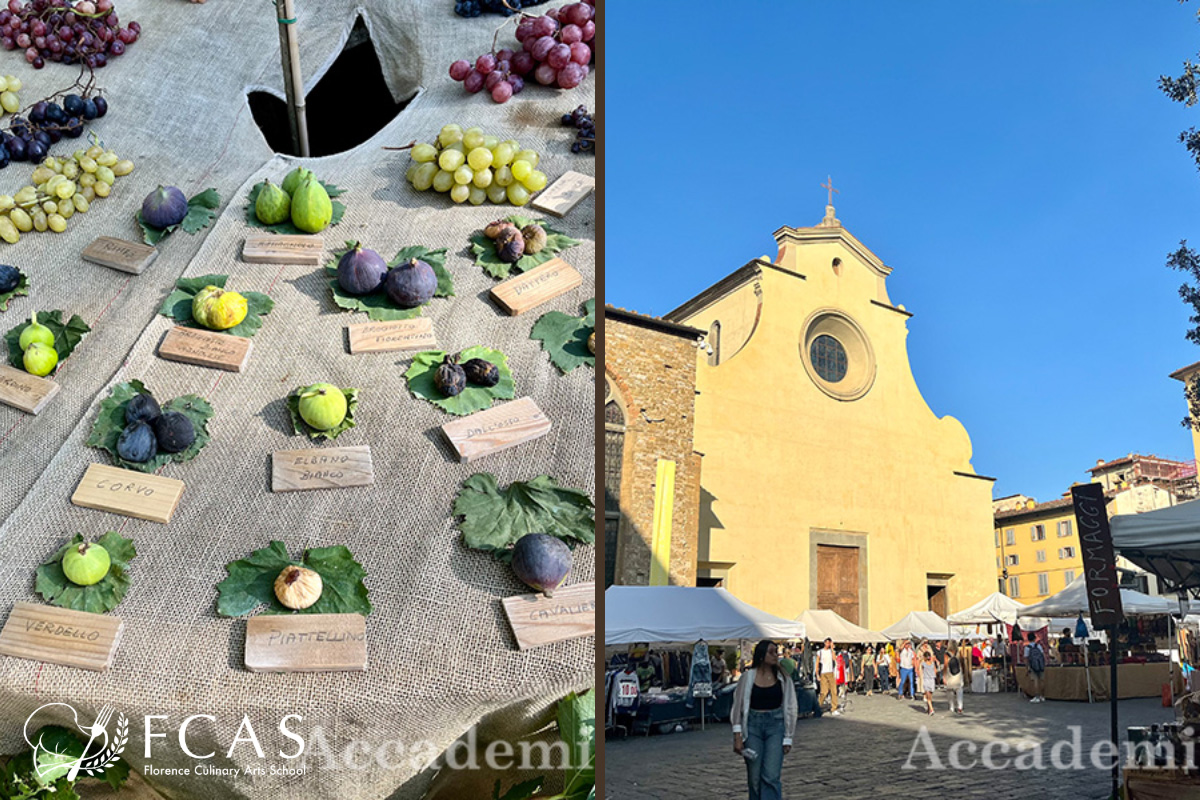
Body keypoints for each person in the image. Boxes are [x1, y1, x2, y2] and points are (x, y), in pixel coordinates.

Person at [731, 640, 797, 800]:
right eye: (771, 652)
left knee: (771, 775)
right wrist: (737, 735)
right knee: (754, 777)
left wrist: (788, 737)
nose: (776, 655)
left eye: (776, 652)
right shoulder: (747, 677)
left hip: (776, 726)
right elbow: (738, 706)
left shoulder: (783, 677)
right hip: (752, 727)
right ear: (761, 655)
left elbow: (790, 706)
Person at [817, 637, 841, 716]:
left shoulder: (831, 651)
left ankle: (834, 708)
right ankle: (817, 707)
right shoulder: (820, 652)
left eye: (829, 643)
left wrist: (832, 649)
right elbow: (817, 663)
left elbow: (834, 659)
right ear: (824, 643)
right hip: (823, 673)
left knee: (834, 691)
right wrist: (817, 674)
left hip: (831, 672)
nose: (828, 644)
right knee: (824, 692)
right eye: (827, 642)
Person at [1024, 631, 1046, 702]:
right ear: (1034, 638)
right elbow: (1043, 655)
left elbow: (1026, 659)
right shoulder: (1038, 646)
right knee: (1042, 680)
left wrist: (1027, 667)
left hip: (1033, 666)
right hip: (1040, 665)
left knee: (1035, 681)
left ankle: (1037, 696)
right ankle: (1042, 696)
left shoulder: (1027, 648)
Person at [943, 642, 964, 714]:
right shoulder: (958, 652)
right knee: (959, 689)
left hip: (950, 673)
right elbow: (962, 662)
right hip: (958, 672)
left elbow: (945, 665)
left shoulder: (946, 654)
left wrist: (944, 675)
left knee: (950, 690)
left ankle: (951, 706)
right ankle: (960, 707)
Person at [920, 650, 939, 716]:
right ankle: (929, 709)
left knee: (928, 698)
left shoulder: (923, 664)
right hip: (932, 680)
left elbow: (921, 670)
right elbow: (935, 671)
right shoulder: (933, 664)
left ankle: (931, 709)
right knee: (930, 696)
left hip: (926, 680)